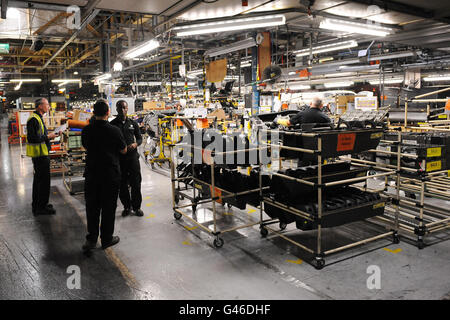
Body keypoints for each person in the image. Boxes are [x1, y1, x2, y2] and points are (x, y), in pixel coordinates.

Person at [81, 100, 127, 251]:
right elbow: (123, 150)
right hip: (110, 175)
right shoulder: (114, 130)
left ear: (93, 113)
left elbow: (86, 146)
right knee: (108, 207)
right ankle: (106, 239)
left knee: (92, 207)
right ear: (108, 112)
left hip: (92, 174)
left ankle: (91, 240)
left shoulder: (86, 130)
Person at [110, 100, 144, 217]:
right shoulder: (113, 124)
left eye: (124, 108)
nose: (122, 110)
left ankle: (137, 207)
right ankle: (127, 206)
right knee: (122, 184)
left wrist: (135, 144)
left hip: (133, 158)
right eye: (120, 108)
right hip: (120, 159)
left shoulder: (133, 123)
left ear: (127, 108)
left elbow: (139, 139)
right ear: (116, 109)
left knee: (136, 182)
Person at [27, 98, 58, 215]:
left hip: (42, 154)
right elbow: (32, 139)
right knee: (43, 182)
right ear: (40, 106)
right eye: (47, 105)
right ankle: (41, 207)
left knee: (40, 181)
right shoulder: (33, 120)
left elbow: (40, 135)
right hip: (39, 155)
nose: (49, 107)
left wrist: (50, 136)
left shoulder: (38, 118)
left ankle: (40, 204)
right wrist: (48, 137)